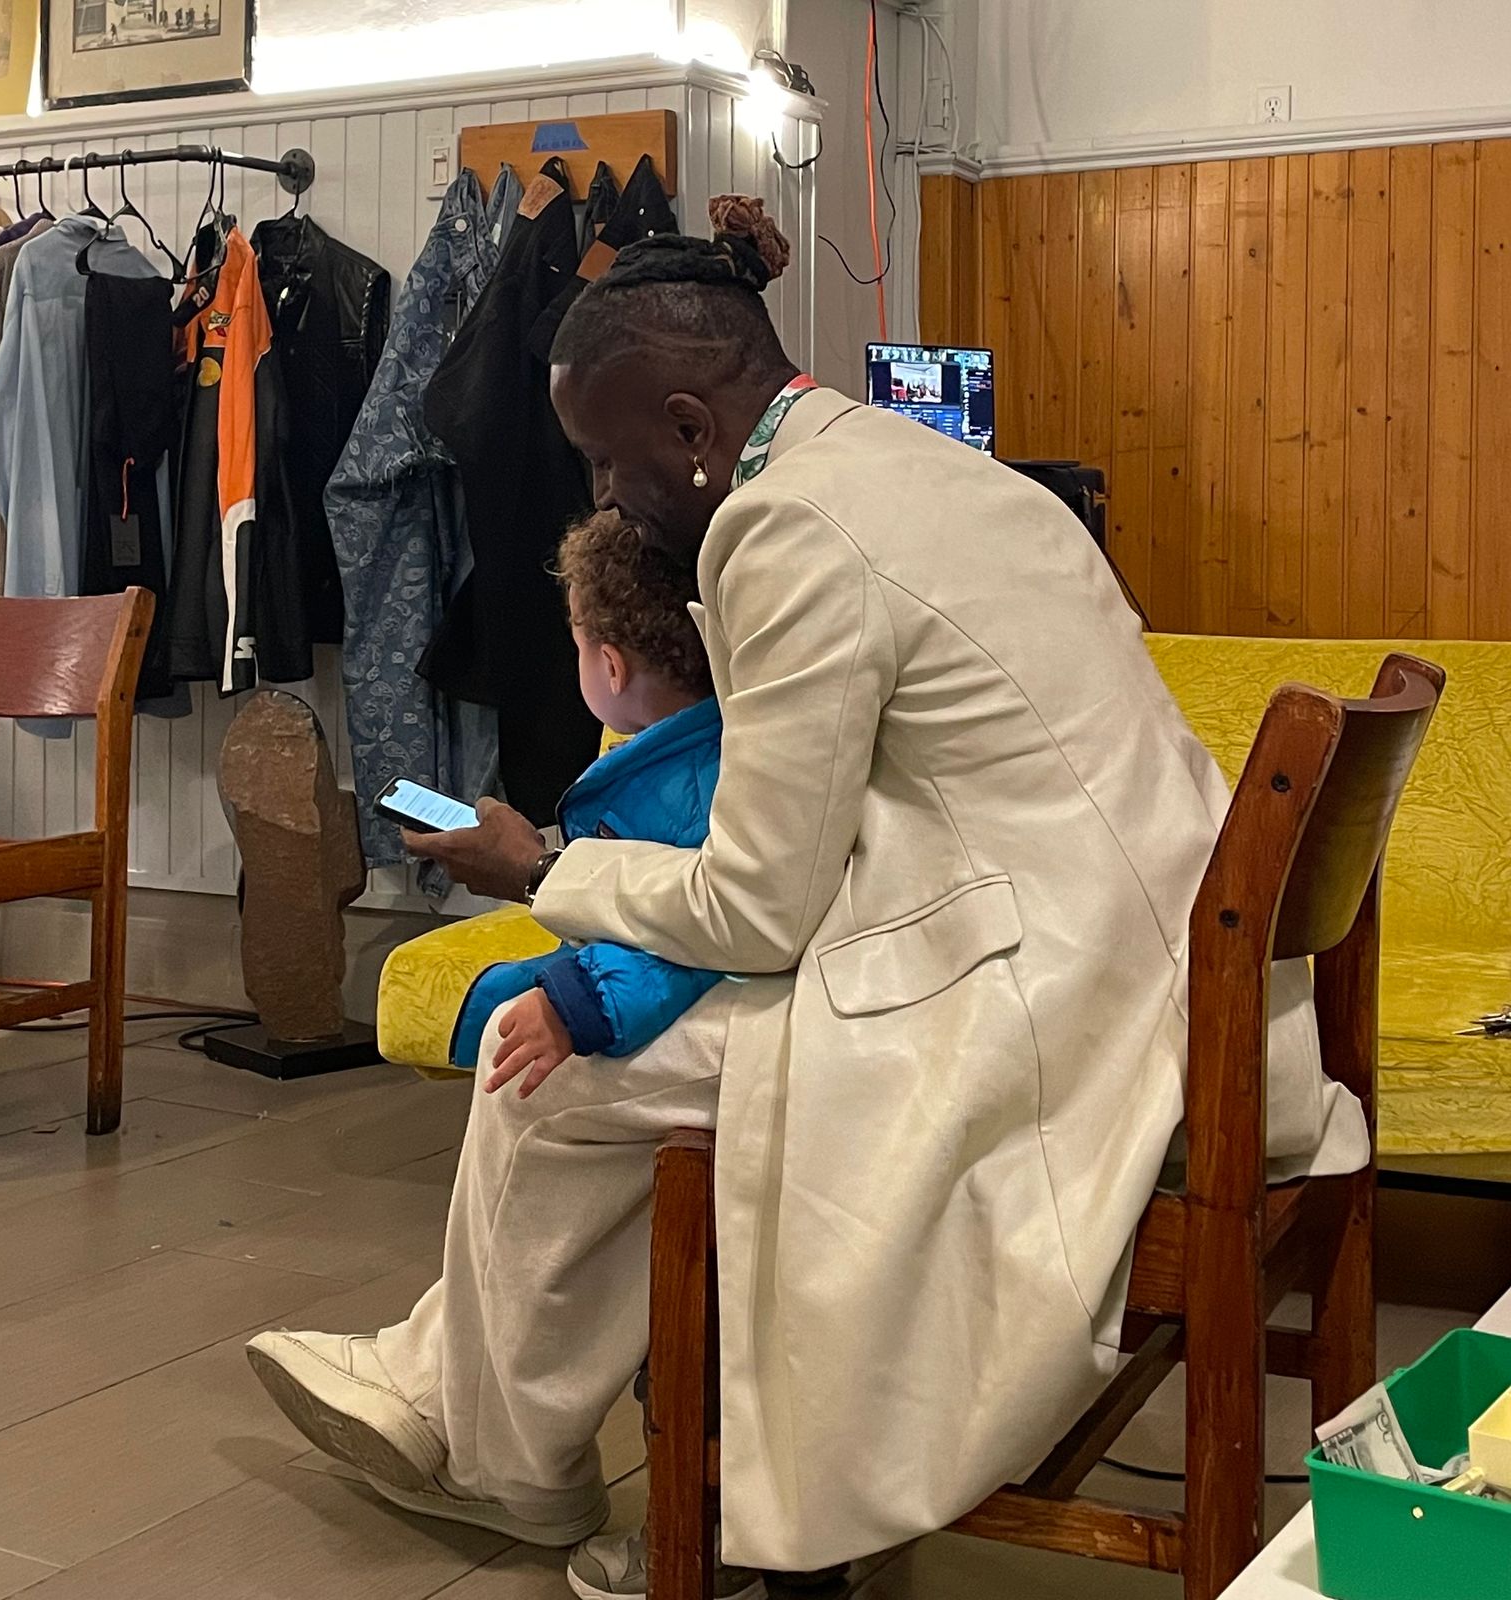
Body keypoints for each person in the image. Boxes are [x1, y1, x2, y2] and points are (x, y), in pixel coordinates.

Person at [245, 196, 1367, 1599]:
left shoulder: (785, 528)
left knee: (557, 1072)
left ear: (689, 427)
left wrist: (539, 868)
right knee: (622, 1046)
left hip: (1058, 1019)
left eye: (605, 459)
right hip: (1170, 979)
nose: (604, 498)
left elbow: (757, 907)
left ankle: (513, 1459)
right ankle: (463, 1400)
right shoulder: (937, 469)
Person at [450, 508, 724, 1089]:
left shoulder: (694, 785)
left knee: (505, 1043)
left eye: (578, 644)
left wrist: (577, 1004)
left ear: (611, 667)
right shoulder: (683, 757)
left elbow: (696, 938)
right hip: (626, 989)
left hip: (662, 1020)